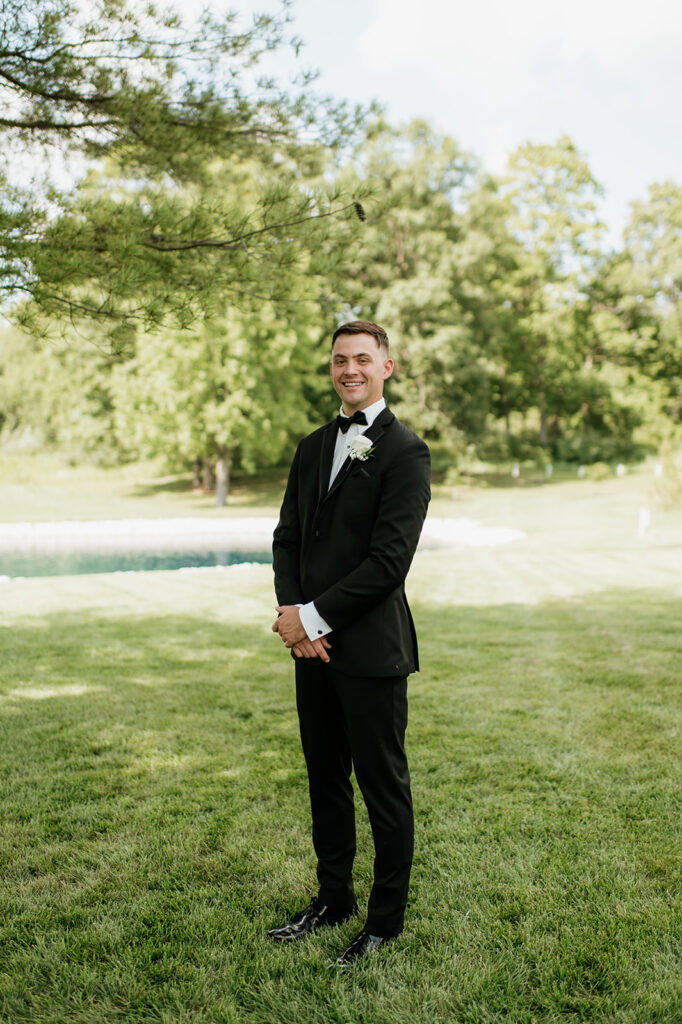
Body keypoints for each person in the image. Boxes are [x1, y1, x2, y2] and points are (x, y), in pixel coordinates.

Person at [269, 320, 431, 968]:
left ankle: (384, 922)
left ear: (386, 367)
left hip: (370, 654)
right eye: (340, 360)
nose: (350, 369)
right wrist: (292, 614)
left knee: (382, 789)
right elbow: (287, 538)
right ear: (331, 368)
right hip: (315, 654)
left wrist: (312, 617)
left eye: (363, 359)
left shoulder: (406, 452)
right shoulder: (311, 447)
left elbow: (388, 564)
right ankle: (332, 901)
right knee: (325, 782)